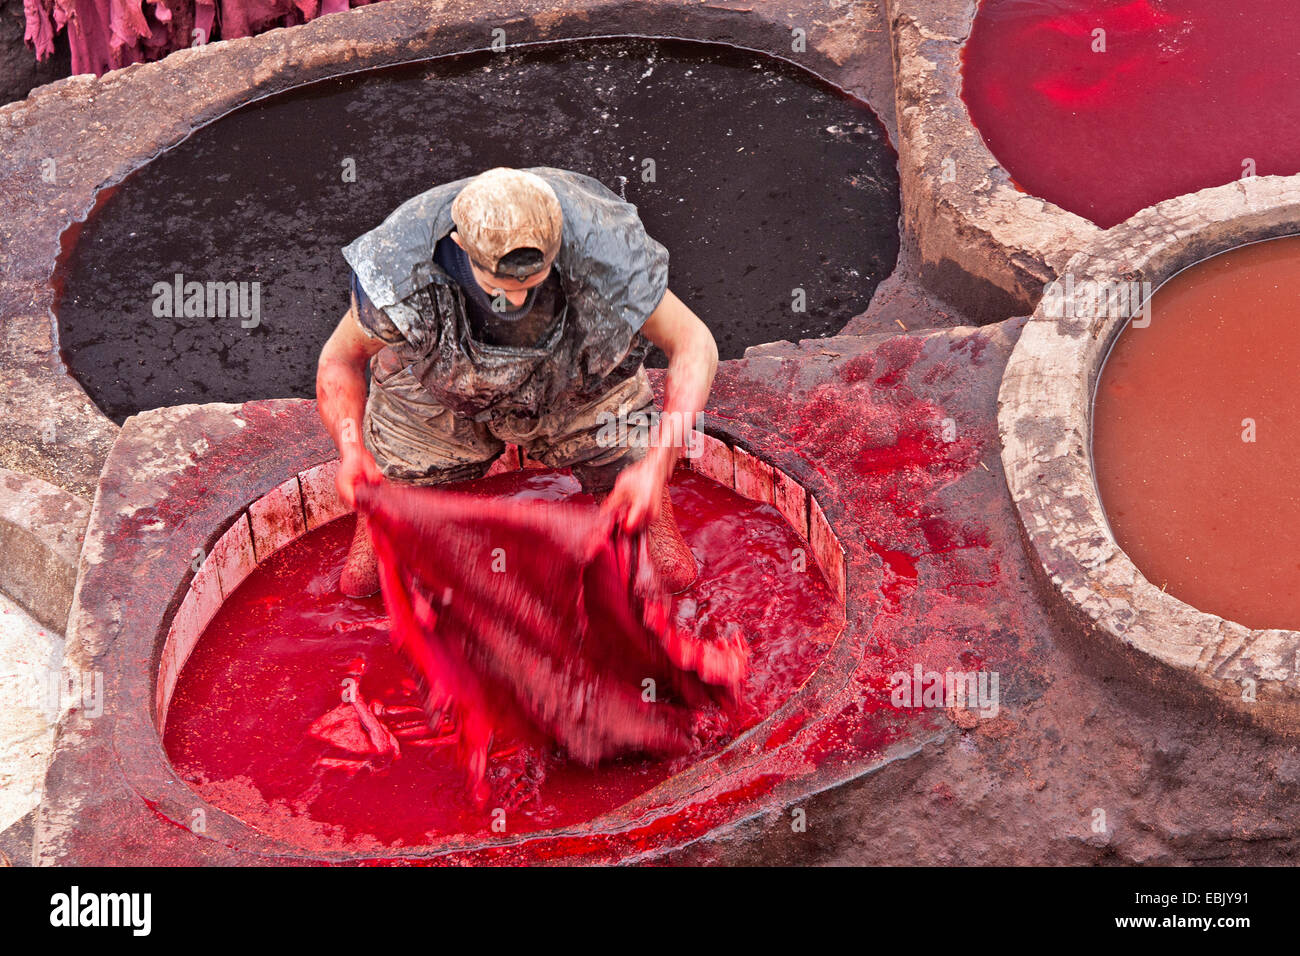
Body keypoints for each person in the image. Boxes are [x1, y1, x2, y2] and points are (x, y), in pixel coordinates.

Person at [316, 166, 718, 597]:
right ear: (460, 245)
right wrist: (351, 449)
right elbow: (340, 360)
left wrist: (657, 466)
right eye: (499, 286)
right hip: (435, 387)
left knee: (670, 571)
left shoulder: (605, 251)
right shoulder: (400, 265)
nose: (517, 300)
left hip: (580, 384)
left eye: (533, 282)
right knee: (363, 580)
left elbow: (694, 344)